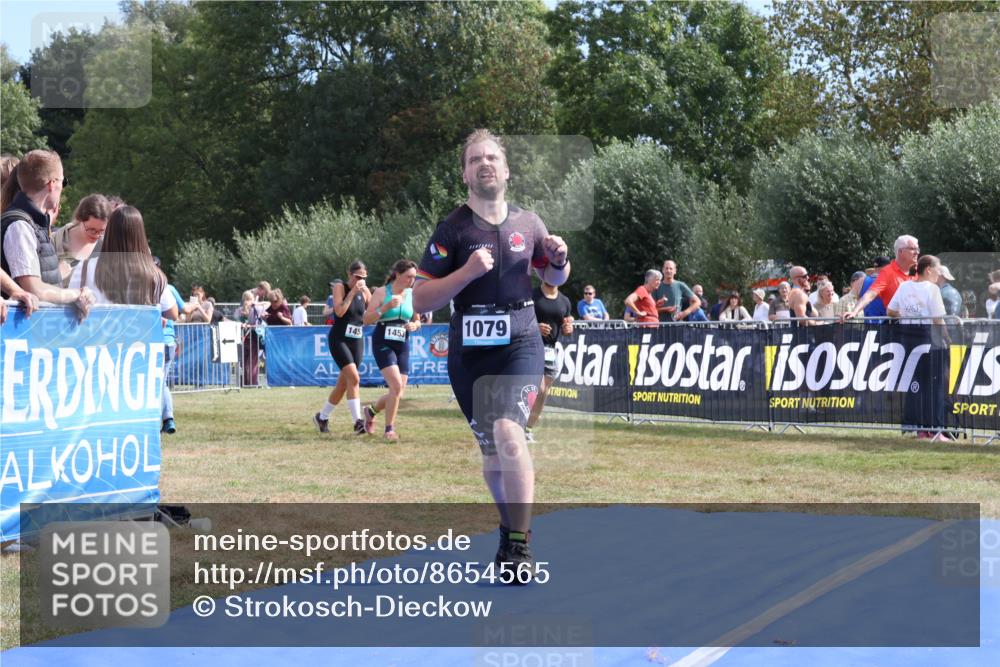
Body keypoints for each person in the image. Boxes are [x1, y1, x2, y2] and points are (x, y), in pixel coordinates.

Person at [412, 129, 569, 581]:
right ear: (465, 174)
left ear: (506, 170)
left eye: (492, 158)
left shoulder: (529, 223)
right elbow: (421, 298)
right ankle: (508, 529)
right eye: (475, 159)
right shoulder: (452, 229)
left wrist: (560, 258)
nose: (484, 163)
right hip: (470, 351)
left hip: (521, 340)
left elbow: (554, 278)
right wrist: (465, 272)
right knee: (493, 454)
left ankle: (519, 543)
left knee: (508, 431)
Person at [1, 150, 94, 318]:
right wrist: (77, 294)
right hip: (23, 329)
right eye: (63, 182)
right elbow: (34, 289)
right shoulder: (19, 226)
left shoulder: (33, 224)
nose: (62, 188)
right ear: (52, 184)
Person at [887, 254, 950, 440]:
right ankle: (935, 430)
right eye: (938, 270)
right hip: (929, 341)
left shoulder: (904, 286)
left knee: (916, 385)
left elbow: (890, 311)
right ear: (928, 269)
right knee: (934, 385)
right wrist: (947, 338)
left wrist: (907, 316)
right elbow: (938, 319)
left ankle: (920, 429)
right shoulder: (932, 289)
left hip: (909, 341)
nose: (939, 274)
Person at [361, 260, 422, 440]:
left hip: (403, 342)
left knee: (398, 392)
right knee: (395, 386)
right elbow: (366, 320)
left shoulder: (412, 294)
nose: (411, 280)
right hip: (383, 341)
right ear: (398, 274)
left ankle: (371, 411)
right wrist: (385, 307)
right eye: (408, 277)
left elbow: (418, 319)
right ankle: (389, 429)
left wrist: (415, 325)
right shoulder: (382, 292)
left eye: (414, 277)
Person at [314, 259, 371, 435]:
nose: (360, 280)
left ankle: (322, 417)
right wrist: (353, 292)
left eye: (363, 277)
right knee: (354, 378)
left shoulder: (365, 292)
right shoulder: (340, 287)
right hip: (339, 339)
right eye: (357, 277)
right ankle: (358, 422)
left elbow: (370, 314)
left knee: (344, 384)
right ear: (349, 274)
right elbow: (339, 312)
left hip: (357, 340)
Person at [526, 280, 573, 443]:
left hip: (551, 351)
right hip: (530, 346)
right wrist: (535, 327)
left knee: (542, 393)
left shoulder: (565, 301)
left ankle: (527, 429)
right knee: (536, 388)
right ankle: (515, 424)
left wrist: (568, 329)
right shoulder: (532, 295)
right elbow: (519, 320)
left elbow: (566, 326)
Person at [845, 237, 919, 321]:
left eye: (917, 249)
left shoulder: (920, 271)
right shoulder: (887, 272)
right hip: (897, 325)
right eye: (912, 249)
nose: (917, 252)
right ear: (900, 251)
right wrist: (854, 311)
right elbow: (870, 294)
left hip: (921, 324)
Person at [153, 256, 183, 434]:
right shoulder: (167, 287)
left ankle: (160, 421)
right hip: (168, 341)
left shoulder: (146, 284)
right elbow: (181, 310)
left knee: (155, 384)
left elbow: (177, 312)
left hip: (154, 340)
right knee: (161, 383)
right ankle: (168, 419)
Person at [52, 194, 111, 285]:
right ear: (79, 219)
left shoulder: (107, 248)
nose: (97, 235)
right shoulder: (53, 241)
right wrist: (56, 276)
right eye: (92, 230)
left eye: (102, 231)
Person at [233, 289, 263, 387]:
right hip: (252, 338)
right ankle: (253, 382)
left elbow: (236, 320)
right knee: (253, 362)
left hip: (242, 338)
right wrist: (256, 304)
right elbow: (266, 305)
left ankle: (245, 382)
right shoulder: (254, 310)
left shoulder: (238, 310)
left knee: (245, 362)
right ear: (251, 299)